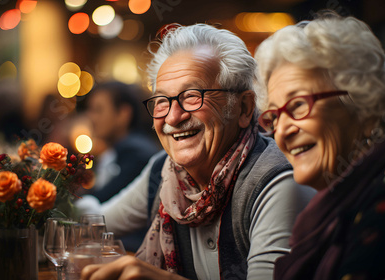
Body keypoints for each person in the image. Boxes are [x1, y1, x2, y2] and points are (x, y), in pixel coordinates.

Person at [80, 24, 316, 280]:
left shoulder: (276, 181)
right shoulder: (165, 171)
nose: (172, 117)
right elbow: (92, 223)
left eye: (192, 96)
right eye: (161, 101)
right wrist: (40, 194)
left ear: (244, 108)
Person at [254, 11, 385, 280]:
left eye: (298, 105)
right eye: (274, 115)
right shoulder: (335, 206)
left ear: (366, 108)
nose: (281, 132)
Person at [76, 81, 160, 251]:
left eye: (98, 110)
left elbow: (101, 203)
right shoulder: (121, 149)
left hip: (132, 250)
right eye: (90, 110)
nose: (91, 117)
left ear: (123, 114)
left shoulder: (136, 153)